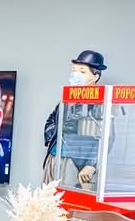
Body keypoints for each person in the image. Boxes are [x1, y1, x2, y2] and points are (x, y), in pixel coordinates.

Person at [43, 50, 107, 188]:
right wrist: (54, 138)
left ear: (95, 76)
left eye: (82, 71)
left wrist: (92, 164)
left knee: (70, 197)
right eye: (74, 70)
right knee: (48, 196)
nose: (76, 75)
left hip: (77, 161)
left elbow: (107, 137)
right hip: (55, 156)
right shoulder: (66, 100)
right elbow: (52, 120)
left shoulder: (99, 104)